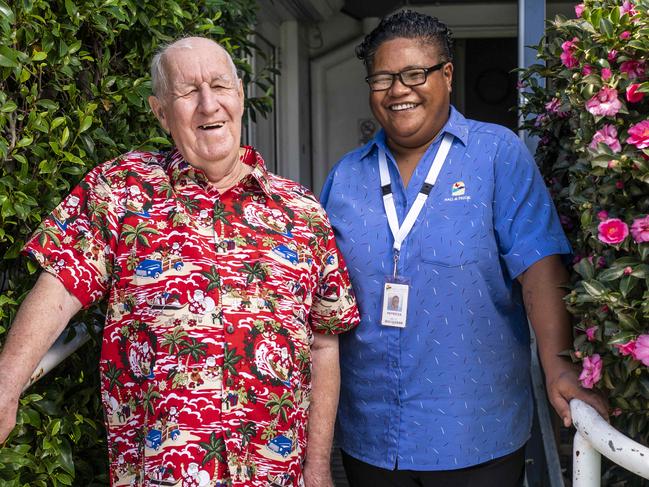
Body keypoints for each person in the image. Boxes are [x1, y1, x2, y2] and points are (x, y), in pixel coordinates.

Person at [0, 37, 359, 487]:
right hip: (161, 472)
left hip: (274, 473)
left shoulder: (303, 212)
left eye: (220, 86)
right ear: (160, 112)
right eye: (188, 92)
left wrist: (319, 466)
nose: (209, 105)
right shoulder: (122, 189)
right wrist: (6, 387)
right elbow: (61, 286)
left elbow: (324, 344)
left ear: (240, 95)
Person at [320, 11, 608, 487]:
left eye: (415, 74)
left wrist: (559, 367)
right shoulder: (346, 176)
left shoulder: (497, 154)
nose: (399, 90)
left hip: (476, 431)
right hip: (369, 432)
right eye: (383, 78)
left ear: (447, 75)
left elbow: (538, 266)